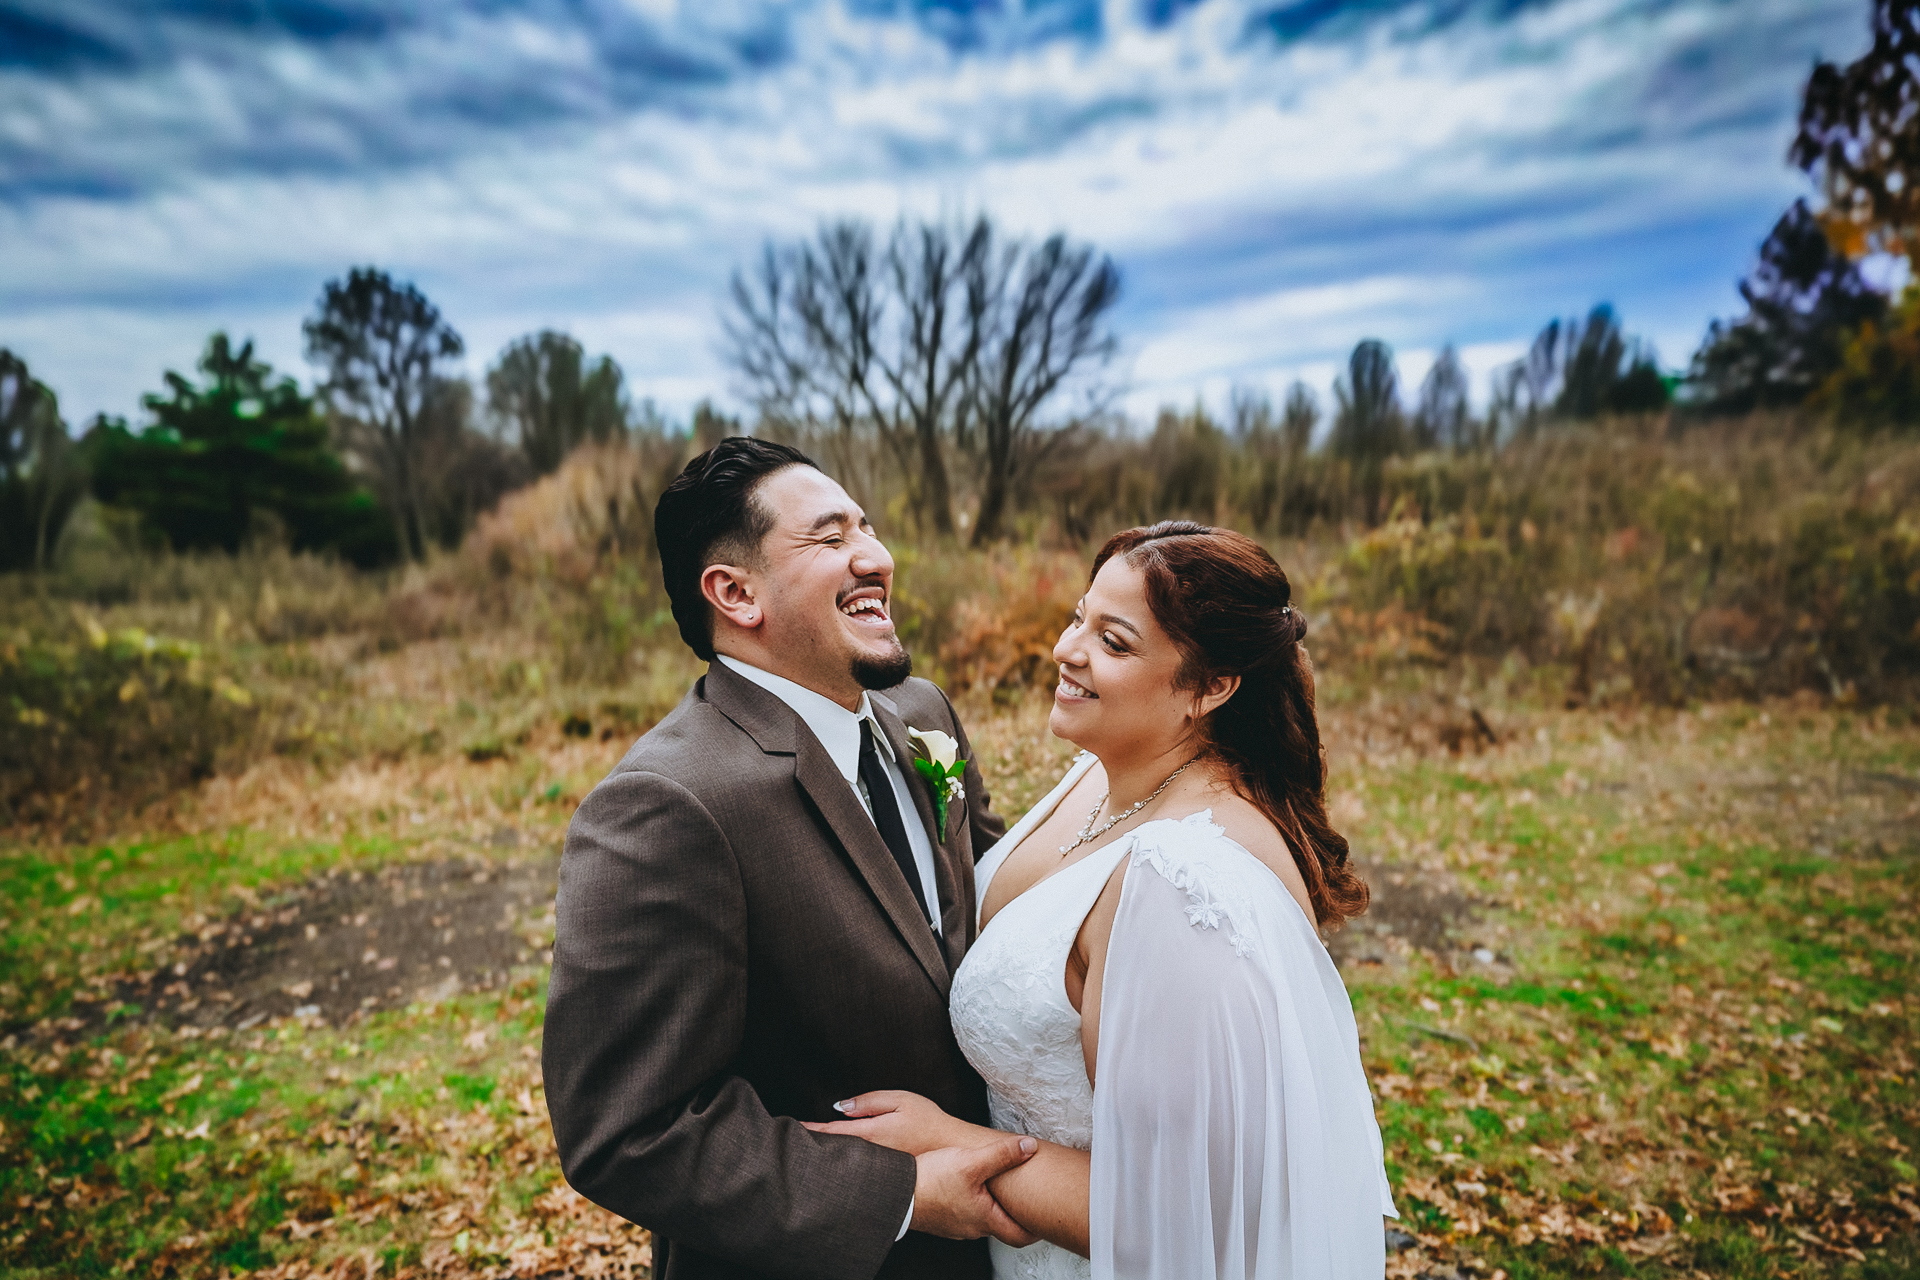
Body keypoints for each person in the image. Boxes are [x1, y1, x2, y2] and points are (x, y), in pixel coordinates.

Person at [808, 521, 1399, 1279]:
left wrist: (951, 1142)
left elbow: (1184, 1220)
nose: (1067, 649)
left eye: (1114, 643)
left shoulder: (1184, 886)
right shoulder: (1106, 769)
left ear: (1211, 686)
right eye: (1077, 617)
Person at [543, 437, 1036, 1280]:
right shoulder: (665, 806)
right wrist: (906, 1191)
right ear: (735, 593)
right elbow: (629, 1129)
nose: (875, 555)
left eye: (869, 527)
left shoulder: (923, 714)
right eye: (832, 537)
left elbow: (992, 901)